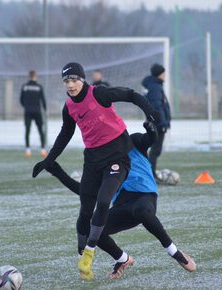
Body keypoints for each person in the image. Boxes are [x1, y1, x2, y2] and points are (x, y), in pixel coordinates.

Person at [32, 62, 157, 280]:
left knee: (102, 202)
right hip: (93, 160)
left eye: (74, 80)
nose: (70, 85)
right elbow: (65, 135)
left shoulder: (99, 93)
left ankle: (87, 256)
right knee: (85, 213)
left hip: (117, 157)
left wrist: (150, 112)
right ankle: (114, 258)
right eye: (66, 81)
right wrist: (48, 160)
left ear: (82, 80)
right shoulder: (69, 107)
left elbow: (131, 95)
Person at [45, 121, 196, 279]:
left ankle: (174, 251)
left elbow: (150, 139)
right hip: (122, 206)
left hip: (145, 197)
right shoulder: (103, 160)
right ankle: (122, 259)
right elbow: (85, 192)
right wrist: (57, 172)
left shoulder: (134, 141)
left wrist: (151, 129)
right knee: (94, 230)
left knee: (141, 210)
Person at [142, 63, 171, 179]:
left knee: (155, 150)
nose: (165, 75)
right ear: (159, 74)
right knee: (155, 150)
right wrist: (162, 123)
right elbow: (157, 106)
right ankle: (150, 175)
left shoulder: (154, 85)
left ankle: (150, 173)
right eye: (163, 73)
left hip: (155, 122)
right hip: (158, 123)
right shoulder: (155, 87)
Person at [20, 70, 47, 157]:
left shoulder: (25, 87)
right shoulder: (39, 87)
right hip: (37, 111)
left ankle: (28, 150)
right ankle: (43, 150)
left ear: (29, 76)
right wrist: (45, 109)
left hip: (28, 111)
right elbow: (43, 100)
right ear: (35, 76)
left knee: (27, 130)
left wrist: (26, 106)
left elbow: (21, 99)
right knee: (40, 130)